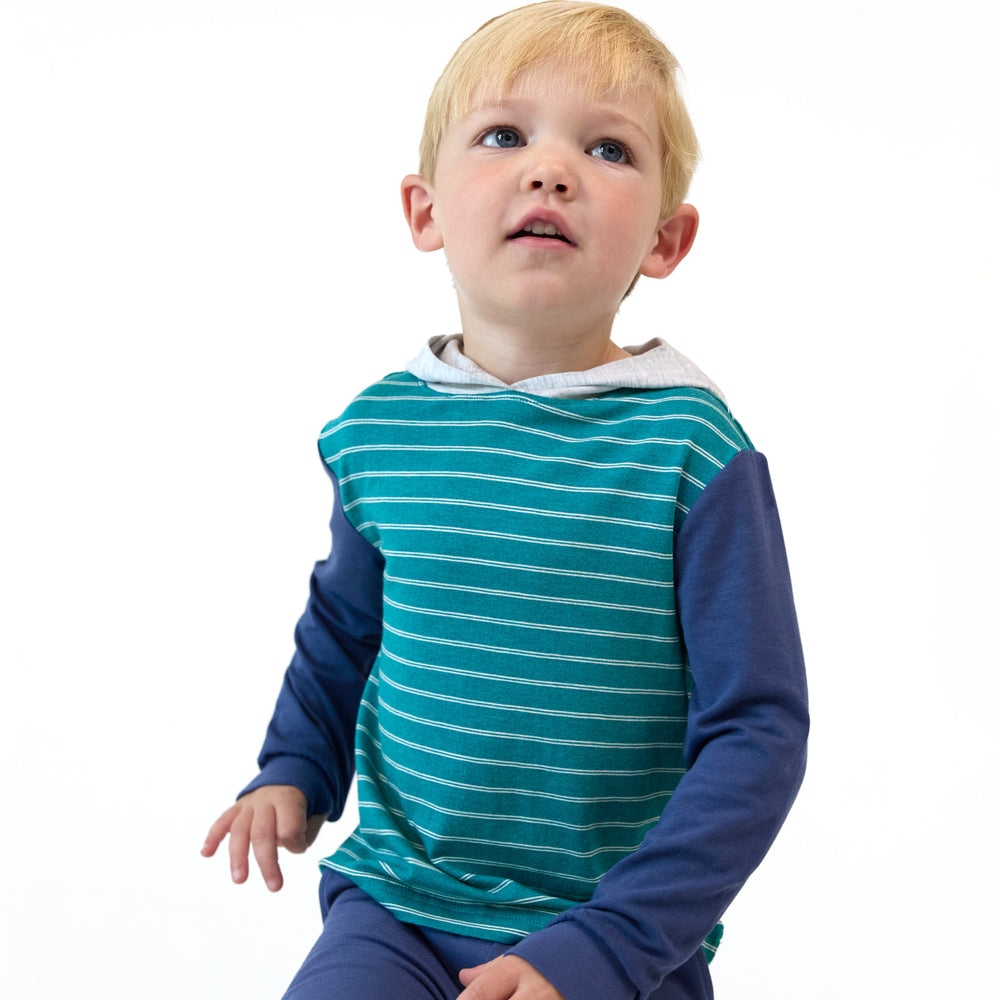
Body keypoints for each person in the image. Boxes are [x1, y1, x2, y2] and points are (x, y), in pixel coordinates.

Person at [202, 3, 809, 998]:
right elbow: (345, 628)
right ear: (424, 211)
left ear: (666, 238)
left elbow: (758, 729)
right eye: (503, 135)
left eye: (607, 146)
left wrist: (606, 945)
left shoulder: (693, 450)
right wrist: (293, 769)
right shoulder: (380, 430)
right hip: (396, 908)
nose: (551, 169)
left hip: (613, 941)